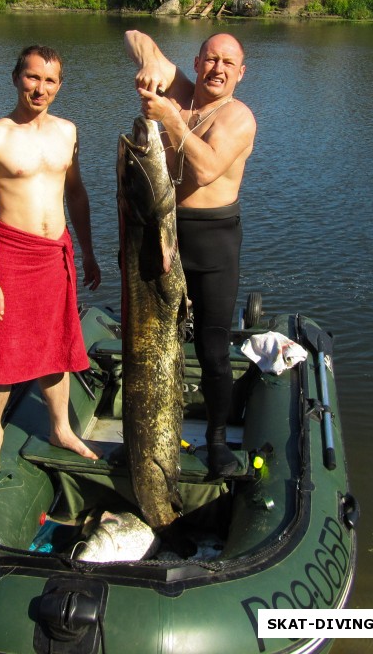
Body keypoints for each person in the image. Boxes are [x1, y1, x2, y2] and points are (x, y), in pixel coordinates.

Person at [124, 30, 256, 477]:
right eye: (211, 58)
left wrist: (170, 117)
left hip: (214, 241)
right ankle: (149, 434)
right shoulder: (182, 90)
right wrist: (146, 61)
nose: (217, 69)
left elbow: (204, 168)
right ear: (196, 62)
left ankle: (217, 442)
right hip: (163, 232)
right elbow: (135, 36)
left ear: (241, 73)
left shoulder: (238, 118)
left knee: (213, 348)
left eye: (228, 63)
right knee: (152, 343)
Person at [0, 44, 101, 473]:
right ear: (15, 77)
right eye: (32, 77)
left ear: (59, 86)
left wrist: (88, 252)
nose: (39, 88)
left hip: (55, 251)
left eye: (49, 81)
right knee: (2, 344)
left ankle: (60, 427)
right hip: (12, 251)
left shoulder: (68, 132)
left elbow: (76, 194)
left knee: (57, 343)